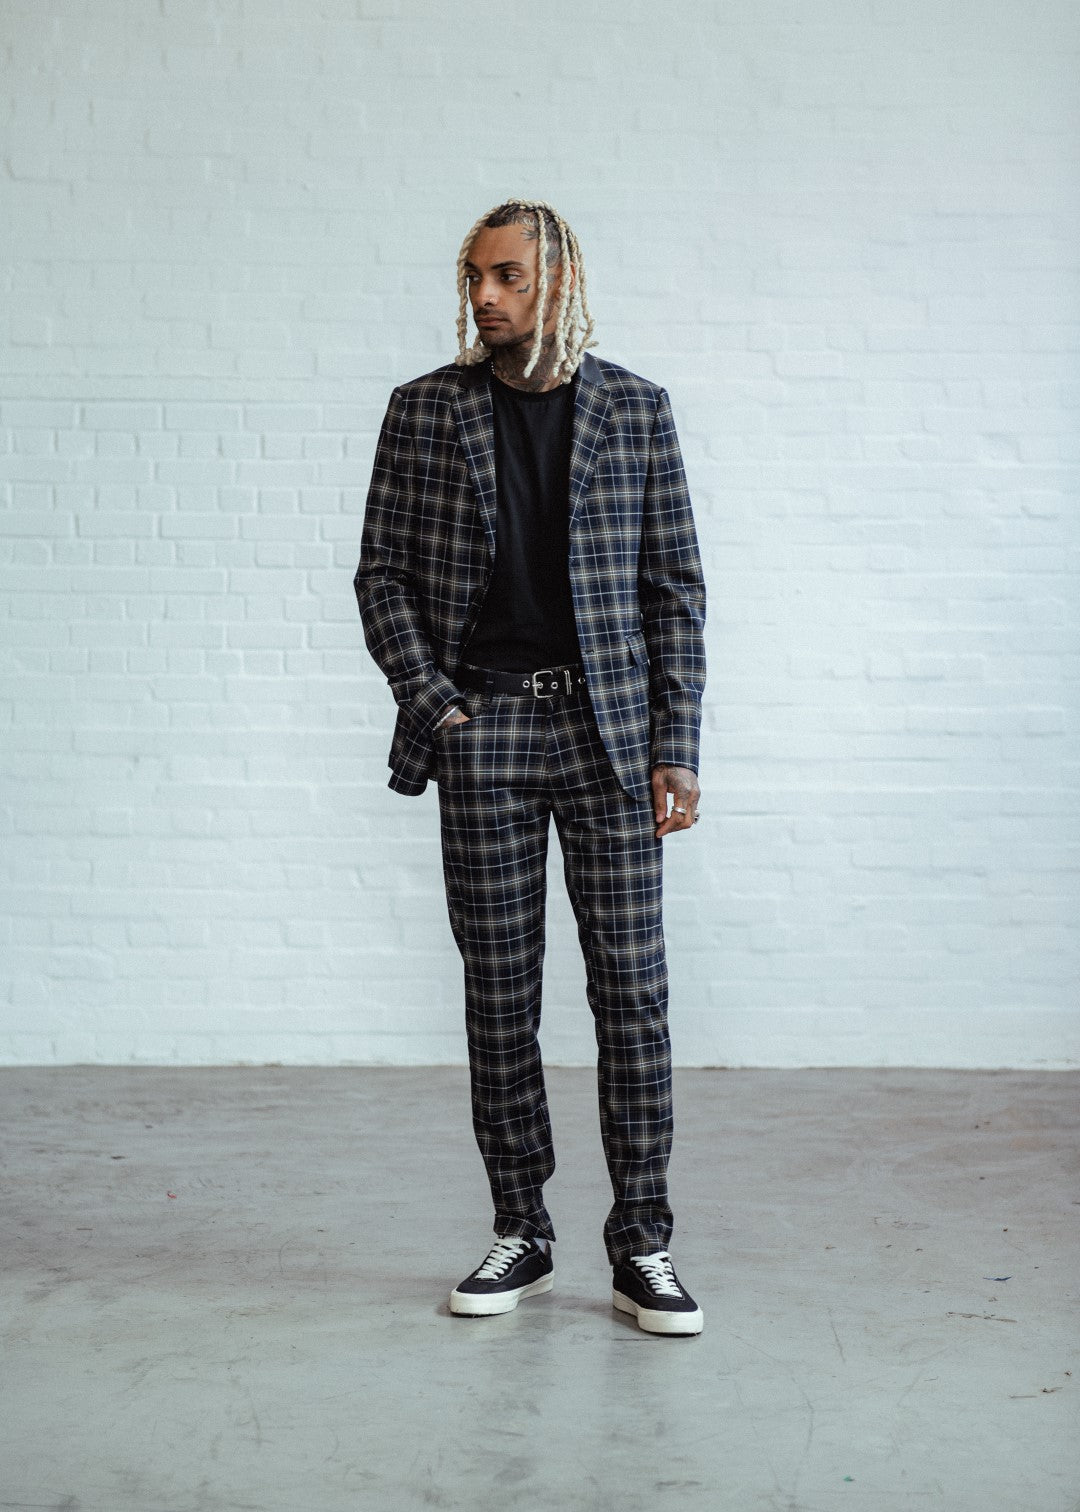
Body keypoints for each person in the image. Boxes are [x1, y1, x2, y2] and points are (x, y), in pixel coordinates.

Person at [354, 198, 706, 1336]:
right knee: (501, 996)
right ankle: (523, 1230)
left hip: (610, 740)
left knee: (632, 995)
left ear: (557, 280)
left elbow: (674, 590)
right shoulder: (425, 409)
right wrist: (439, 708)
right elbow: (381, 576)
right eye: (474, 276)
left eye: (505, 275)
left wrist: (675, 745)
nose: (484, 296)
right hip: (488, 730)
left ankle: (642, 1241)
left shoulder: (635, 409)